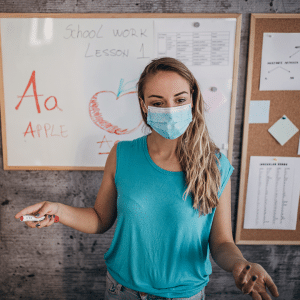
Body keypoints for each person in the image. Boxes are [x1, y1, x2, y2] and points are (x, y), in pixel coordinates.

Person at [15, 57, 279, 300]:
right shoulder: (122, 154)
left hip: (184, 295)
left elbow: (221, 242)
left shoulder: (215, 165)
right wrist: (58, 210)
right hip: (121, 291)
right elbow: (100, 219)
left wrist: (240, 264)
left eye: (179, 99)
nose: (171, 109)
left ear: (193, 98)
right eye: (157, 102)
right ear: (143, 104)